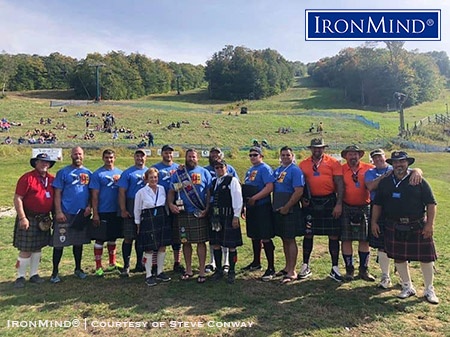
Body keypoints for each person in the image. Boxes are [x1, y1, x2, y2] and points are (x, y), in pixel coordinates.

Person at [371, 151, 438, 304]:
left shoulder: (418, 179)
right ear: (392, 164)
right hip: (393, 223)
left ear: (408, 163)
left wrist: (429, 224)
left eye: (402, 162)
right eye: (395, 162)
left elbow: (431, 204)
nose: (398, 165)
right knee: (398, 257)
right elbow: (378, 204)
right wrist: (374, 222)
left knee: (426, 258)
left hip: (417, 224)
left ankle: (429, 289)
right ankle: (407, 286)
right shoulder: (386, 181)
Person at [364, 149, 423, 288]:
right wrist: (385, 176)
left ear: (385, 158)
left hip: (397, 209)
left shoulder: (395, 167)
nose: (378, 159)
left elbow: (414, 171)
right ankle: (385, 276)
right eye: (375, 158)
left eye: (380, 157)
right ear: (372, 160)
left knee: (401, 244)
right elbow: (371, 186)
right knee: (381, 244)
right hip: (378, 208)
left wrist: (418, 171)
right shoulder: (370, 173)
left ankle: (403, 278)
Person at [299, 138, 344, 282]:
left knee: (333, 235)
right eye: (315, 148)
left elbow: (339, 184)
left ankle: (335, 268)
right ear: (311, 149)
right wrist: (302, 199)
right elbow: (300, 185)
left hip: (329, 201)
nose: (317, 150)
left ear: (324, 148)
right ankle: (305, 265)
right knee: (308, 233)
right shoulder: (303, 164)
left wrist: (338, 204)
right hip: (310, 202)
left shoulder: (334, 163)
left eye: (320, 148)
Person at [167, 149, 212, 283]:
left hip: (199, 211)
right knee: (185, 242)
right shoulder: (179, 173)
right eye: (189, 156)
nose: (191, 158)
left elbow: (209, 193)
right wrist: (170, 204)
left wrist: (207, 209)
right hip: (183, 213)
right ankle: (188, 270)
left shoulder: (205, 172)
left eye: (194, 156)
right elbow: (171, 191)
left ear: (197, 158)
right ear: (185, 158)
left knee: (200, 242)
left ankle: (202, 270)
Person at [13, 153, 56, 288]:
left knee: (38, 248)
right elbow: (18, 198)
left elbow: (54, 200)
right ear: (35, 163)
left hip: (43, 219)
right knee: (25, 249)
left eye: (47, 162)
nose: (44, 164)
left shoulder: (52, 179)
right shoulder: (27, 178)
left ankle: (34, 274)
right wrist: (22, 217)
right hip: (29, 217)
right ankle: (20, 276)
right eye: (41, 162)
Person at [50, 146, 92, 283]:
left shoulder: (88, 173)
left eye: (80, 154)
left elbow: (92, 193)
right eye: (75, 154)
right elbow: (57, 194)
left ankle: (78, 269)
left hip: (80, 214)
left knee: (78, 243)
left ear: (83, 155)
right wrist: (58, 211)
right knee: (59, 244)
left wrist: (89, 206)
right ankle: (55, 272)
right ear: (71, 155)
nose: (77, 156)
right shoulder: (63, 172)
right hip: (65, 213)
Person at [340, 145, 375, 282]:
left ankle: (364, 270)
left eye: (355, 154)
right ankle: (349, 270)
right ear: (346, 156)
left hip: (364, 206)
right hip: (346, 206)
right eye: (350, 154)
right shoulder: (341, 169)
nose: (353, 157)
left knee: (364, 239)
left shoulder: (369, 168)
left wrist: (416, 171)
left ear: (360, 155)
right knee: (346, 239)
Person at [242, 147, 276, 281]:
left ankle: (271, 267)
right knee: (254, 236)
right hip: (251, 207)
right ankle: (256, 262)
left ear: (261, 156)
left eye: (255, 155)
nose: (252, 157)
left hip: (262, 206)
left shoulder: (265, 168)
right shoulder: (250, 170)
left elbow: (269, 187)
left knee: (265, 236)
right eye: (250, 155)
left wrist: (255, 198)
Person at [134, 168, 172, 286]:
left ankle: (160, 272)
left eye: (155, 177)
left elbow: (165, 204)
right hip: (148, 219)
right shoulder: (141, 192)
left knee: (162, 246)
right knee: (149, 248)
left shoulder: (162, 189)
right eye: (151, 177)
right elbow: (137, 209)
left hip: (160, 217)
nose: (153, 179)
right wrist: (138, 224)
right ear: (146, 179)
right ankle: (148, 274)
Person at [203, 147, 238, 274]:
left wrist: (237, 213)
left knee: (228, 241)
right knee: (215, 240)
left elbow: (236, 194)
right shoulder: (206, 171)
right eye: (212, 153)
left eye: (217, 153)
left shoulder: (231, 174)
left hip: (227, 212)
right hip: (214, 211)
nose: (214, 155)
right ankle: (214, 263)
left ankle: (228, 264)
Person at [273, 146, 305, 283]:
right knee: (284, 238)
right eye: (283, 155)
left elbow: (298, 191)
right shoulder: (278, 170)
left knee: (290, 239)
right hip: (279, 209)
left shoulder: (295, 170)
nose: (285, 157)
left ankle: (292, 271)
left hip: (290, 209)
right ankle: (287, 267)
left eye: (288, 155)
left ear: (292, 156)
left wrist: (287, 207)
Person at [89, 149, 123, 277]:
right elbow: (94, 196)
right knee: (100, 239)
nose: (109, 160)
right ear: (103, 158)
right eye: (107, 157)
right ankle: (98, 266)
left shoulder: (120, 173)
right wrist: (95, 213)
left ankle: (112, 263)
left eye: (111, 157)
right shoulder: (98, 174)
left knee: (113, 238)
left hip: (116, 210)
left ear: (115, 158)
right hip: (103, 210)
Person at [209, 159, 243, 284]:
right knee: (216, 243)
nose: (219, 169)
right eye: (216, 168)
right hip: (217, 217)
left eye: (221, 167)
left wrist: (236, 216)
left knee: (231, 245)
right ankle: (218, 270)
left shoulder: (232, 180)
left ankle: (232, 271)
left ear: (226, 167)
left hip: (229, 216)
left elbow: (238, 198)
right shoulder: (215, 182)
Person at [151, 144, 184, 274]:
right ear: (162, 153)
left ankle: (177, 262)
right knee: (158, 234)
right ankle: (155, 264)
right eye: (166, 152)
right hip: (159, 204)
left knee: (178, 234)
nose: (168, 155)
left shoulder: (178, 168)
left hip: (176, 203)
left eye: (170, 152)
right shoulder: (155, 168)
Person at [118, 149, 149, 277]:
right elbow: (121, 192)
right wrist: (123, 209)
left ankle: (140, 264)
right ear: (134, 157)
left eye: (142, 156)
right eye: (137, 156)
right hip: (131, 205)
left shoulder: (149, 171)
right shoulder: (128, 173)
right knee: (129, 237)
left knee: (141, 237)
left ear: (145, 158)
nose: (140, 158)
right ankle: (126, 266)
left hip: (145, 206)